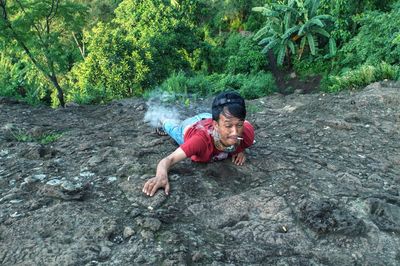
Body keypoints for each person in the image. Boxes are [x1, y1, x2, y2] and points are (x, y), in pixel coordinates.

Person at [142, 91, 255, 197]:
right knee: (170, 126)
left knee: (231, 122)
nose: (235, 132)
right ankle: (162, 119)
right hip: (190, 127)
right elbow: (168, 160)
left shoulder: (247, 134)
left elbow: (243, 123)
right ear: (216, 125)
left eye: (239, 125)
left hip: (208, 117)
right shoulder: (199, 141)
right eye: (229, 126)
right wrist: (161, 176)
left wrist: (241, 148)